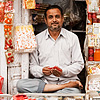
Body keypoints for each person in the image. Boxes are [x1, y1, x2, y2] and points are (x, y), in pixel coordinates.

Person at [17, 5, 84, 93]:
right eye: (50, 17)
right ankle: (62, 88)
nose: (54, 20)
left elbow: (79, 64)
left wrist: (62, 71)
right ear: (45, 20)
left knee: (73, 93)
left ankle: (60, 89)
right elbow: (33, 67)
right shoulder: (37, 39)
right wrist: (42, 70)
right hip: (46, 83)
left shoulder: (72, 38)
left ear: (62, 19)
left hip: (67, 82)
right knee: (20, 84)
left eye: (57, 17)